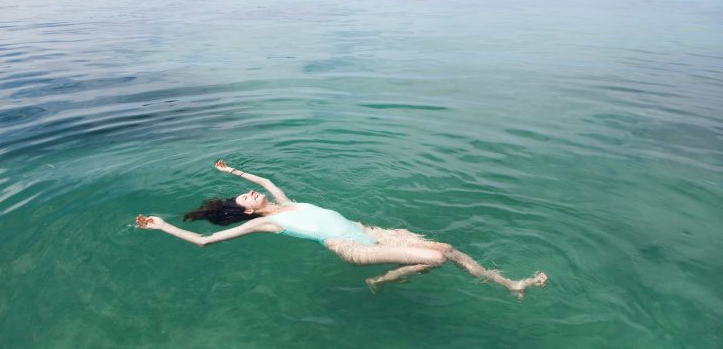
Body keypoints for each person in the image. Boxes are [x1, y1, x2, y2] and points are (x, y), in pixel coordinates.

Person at [137, 160, 548, 298]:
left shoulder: (286, 202)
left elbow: (264, 182)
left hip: (369, 229)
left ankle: (509, 284)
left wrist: (233, 170)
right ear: (247, 214)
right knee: (435, 257)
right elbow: (205, 241)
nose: (247, 192)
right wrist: (161, 227)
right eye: (242, 198)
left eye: (244, 191)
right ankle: (383, 276)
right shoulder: (270, 224)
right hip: (353, 247)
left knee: (448, 247)